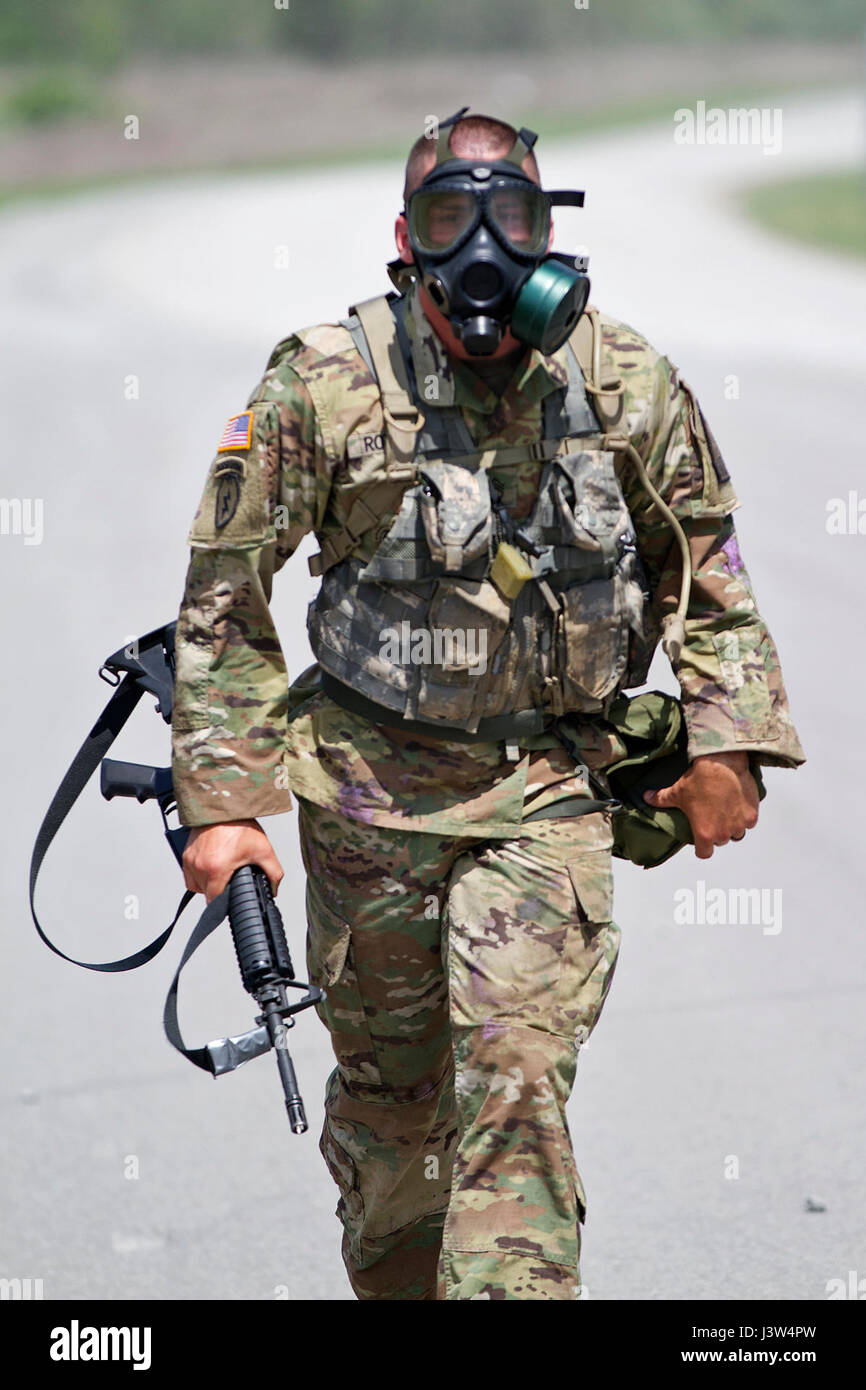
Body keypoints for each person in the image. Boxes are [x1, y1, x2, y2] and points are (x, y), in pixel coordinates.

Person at [171, 108, 805, 1300]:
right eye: (448, 217)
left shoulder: (620, 380)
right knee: (392, 1119)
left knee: (514, 1078)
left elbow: (706, 577)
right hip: (366, 803)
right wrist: (226, 800)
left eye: (508, 217)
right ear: (403, 240)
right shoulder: (322, 381)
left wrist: (730, 748)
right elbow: (225, 593)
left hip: (544, 794)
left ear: (546, 230)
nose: (482, 250)